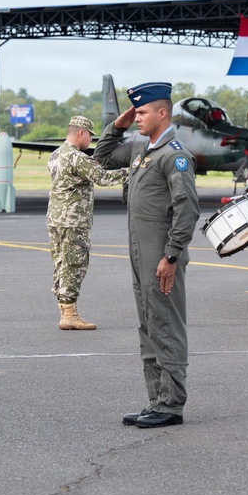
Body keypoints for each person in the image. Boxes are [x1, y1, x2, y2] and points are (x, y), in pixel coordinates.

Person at [94, 81, 199, 428]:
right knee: (149, 325)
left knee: (166, 324)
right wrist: (119, 124)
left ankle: (172, 404)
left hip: (160, 256)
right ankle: (156, 400)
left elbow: (187, 211)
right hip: (141, 253)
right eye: (135, 112)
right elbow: (103, 157)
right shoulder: (142, 147)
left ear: (162, 113)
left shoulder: (175, 156)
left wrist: (170, 256)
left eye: (141, 112)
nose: (137, 117)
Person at [47, 115, 128, 330]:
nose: (90, 141)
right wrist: (133, 171)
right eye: (90, 136)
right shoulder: (76, 157)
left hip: (56, 219)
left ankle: (64, 310)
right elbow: (103, 178)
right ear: (81, 133)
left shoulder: (55, 154)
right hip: (74, 220)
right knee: (75, 264)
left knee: (61, 263)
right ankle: (70, 314)